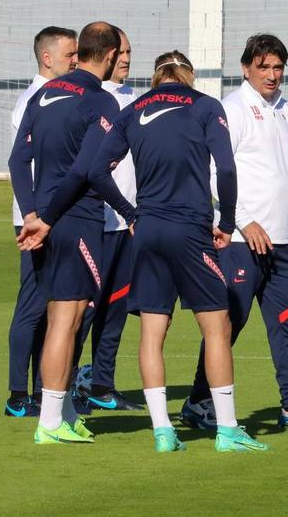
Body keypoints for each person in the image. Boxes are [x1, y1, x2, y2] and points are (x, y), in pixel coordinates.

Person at [80, 50, 267, 453]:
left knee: (152, 332)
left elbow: (96, 171)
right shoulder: (204, 106)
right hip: (189, 229)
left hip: (147, 231)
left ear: (156, 77)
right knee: (217, 327)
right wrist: (229, 221)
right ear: (189, 76)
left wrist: (131, 214)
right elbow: (227, 169)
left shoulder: (133, 110)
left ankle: (163, 431)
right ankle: (228, 429)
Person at [181, 35, 288, 432]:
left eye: (278, 67)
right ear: (246, 68)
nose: (272, 75)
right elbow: (214, 172)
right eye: (264, 67)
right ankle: (199, 401)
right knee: (228, 324)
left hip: (281, 242)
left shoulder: (285, 111)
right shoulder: (231, 110)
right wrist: (243, 219)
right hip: (238, 242)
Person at [11, 22, 132, 444]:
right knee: (67, 320)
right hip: (74, 220)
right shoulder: (101, 101)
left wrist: (31, 213)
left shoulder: (44, 94)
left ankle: (62, 411)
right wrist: (49, 217)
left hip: (46, 221)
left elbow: (16, 161)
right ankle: (48, 423)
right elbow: (87, 171)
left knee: (70, 317)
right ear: (112, 53)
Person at [4, 26, 77, 418]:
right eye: (70, 55)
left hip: (58, 219)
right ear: (47, 58)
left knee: (57, 308)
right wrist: (31, 215)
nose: (76, 61)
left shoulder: (65, 97)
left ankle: (42, 390)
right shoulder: (31, 101)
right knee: (32, 305)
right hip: (34, 220)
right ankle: (18, 394)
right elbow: (22, 164)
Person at [73, 28, 141, 411]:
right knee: (83, 311)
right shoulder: (91, 99)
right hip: (95, 222)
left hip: (127, 225)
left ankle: (102, 383)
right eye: (121, 52)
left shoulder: (136, 100)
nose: (127, 59)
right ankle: (63, 387)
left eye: (130, 51)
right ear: (107, 55)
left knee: (116, 310)